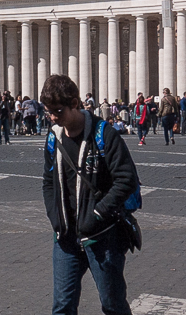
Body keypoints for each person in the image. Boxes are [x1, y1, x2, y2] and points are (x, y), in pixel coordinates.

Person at [41, 74, 138, 315]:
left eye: (58, 111)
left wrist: (97, 213)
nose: (53, 117)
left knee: (112, 304)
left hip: (102, 236)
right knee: (62, 306)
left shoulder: (104, 134)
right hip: (66, 237)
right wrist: (55, 217)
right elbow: (48, 181)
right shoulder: (54, 136)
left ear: (75, 103)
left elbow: (126, 179)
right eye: (48, 112)